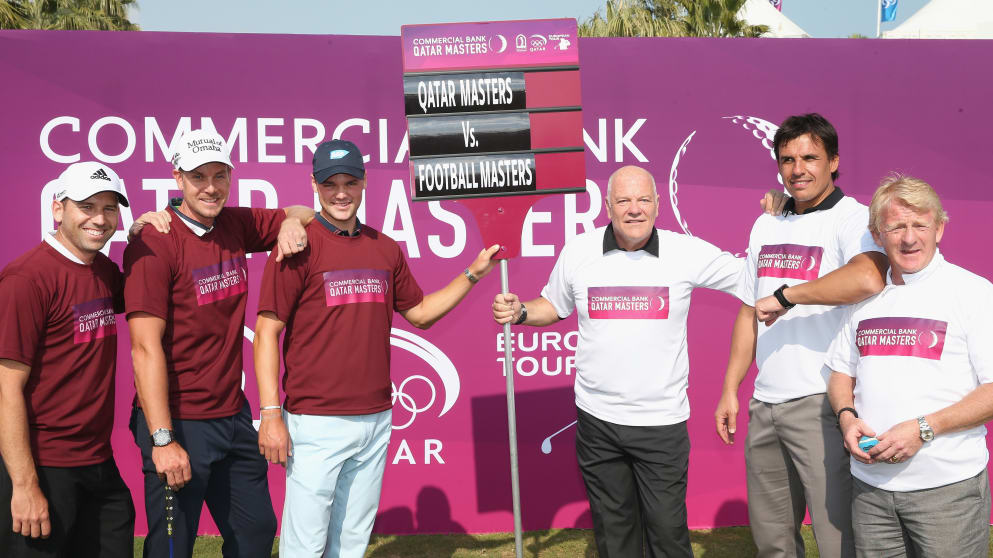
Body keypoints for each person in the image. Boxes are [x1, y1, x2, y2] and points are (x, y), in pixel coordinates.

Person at [252, 139, 499, 558]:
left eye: (351, 182)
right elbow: (265, 332)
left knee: (350, 544)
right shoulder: (296, 246)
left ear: (365, 183)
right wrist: (271, 414)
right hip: (315, 423)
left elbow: (419, 313)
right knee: (304, 547)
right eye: (331, 184)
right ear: (315, 186)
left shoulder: (384, 248)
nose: (342, 193)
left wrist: (472, 274)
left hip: (376, 419)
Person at [492, 164, 747, 557]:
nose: (634, 209)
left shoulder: (686, 252)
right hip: (597, 423)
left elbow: (753, 278)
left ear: (658, 205)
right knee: (614, 538)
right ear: (608, 206)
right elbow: (552, 306)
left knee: (667, 535)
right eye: (624, 200)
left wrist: (781, 223)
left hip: (661, 425)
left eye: (644, 199)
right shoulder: (579, 250)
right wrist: (521, 312)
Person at [123, 129, 315, 558]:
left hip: (232, 416)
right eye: (198, 177)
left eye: (219, 175)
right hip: (179, 422)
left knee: (257, 532)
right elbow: (143, 349)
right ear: (177, 179)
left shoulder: (234, 223)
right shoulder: (154, 242)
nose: (210, 187)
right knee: (172, 546)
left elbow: (305, 211)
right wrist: (162, 440)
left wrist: (287, 220)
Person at [714, 113, 889, 557]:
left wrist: (789, 295)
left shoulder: (852, 218)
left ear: (833, 161)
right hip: (765, 403)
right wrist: (732, 388)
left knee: (837, 540)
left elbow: (869, 278)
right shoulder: (767, 222)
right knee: (772, 542)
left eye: (810, 157)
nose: (798, 169)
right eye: (788, 159)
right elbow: (747, 309)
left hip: (823, 404)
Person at [826, 176, 993, 557]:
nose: (909, 238)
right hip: (870, 490)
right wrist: (847, 417)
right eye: (896, 226)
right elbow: (840, 372)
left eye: (920, 224)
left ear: (940, 228)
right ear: (876, 234)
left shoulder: (973, 293)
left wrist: (923, 429)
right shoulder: (865, 300)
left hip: (946, 491)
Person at [0, 162, 135, 557]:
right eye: (87, 206)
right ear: (58, 209)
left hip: (98, 463)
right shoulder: (26, 280)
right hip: (43, 467)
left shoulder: (103, 271)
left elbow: (152, 296)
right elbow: (6, 388)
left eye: (110, 208)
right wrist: (25, 486)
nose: (100, 218)